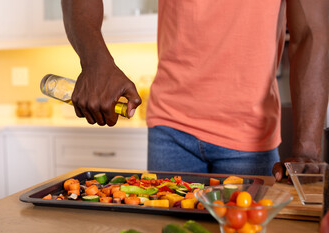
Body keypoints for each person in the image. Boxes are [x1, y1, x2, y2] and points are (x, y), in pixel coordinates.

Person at [61, 1, 329, 180]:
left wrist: (307, 151)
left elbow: (311, 33)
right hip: (170, 127)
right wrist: (95, 60)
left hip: (251, 136)